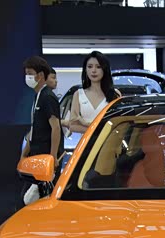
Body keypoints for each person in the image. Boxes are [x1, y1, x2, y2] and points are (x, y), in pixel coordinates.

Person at [18, 56, 62, 208]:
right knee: (32, 200)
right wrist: (25, 153)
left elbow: (56, 127)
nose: (27, 77)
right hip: (37, 156)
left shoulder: (48, 97)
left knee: (37, 199)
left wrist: (53, 156)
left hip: (46, 159)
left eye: (30, 73)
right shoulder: (38, 96)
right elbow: (34, 129)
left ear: (40, 75)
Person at [61, 51, 120, 146]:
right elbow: (73, 126)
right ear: (85, 69)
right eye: (90, 66)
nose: (93, 70)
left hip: (109, 145)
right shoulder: (78, 94)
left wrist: (85, 124)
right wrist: (98, 130)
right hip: (86, 146)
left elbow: (118, 123)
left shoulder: (115, 94)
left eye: (98, 67)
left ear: (104, 69)